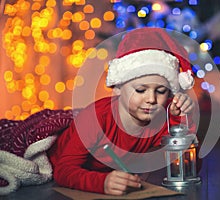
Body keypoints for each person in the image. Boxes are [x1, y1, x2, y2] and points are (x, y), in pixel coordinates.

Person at [48, 27, 197, 195]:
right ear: (117, 88)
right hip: (58, 165)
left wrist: (180, 117)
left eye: (161, 91)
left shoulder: (160, 118)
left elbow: (187, 163)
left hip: (111, 173)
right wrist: (102, 183)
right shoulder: (96, 118)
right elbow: (63, 170)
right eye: (140, 90)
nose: (151, 99)